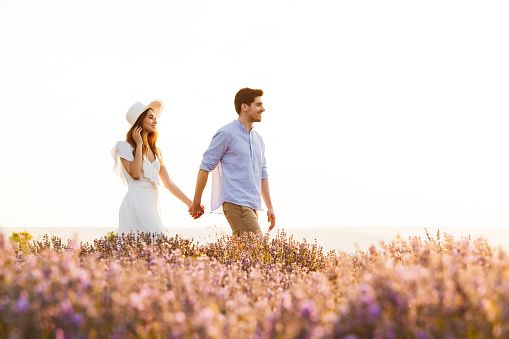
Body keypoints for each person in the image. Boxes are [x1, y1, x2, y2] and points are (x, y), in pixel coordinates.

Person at [189, 88, 276, 236]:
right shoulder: (226, 134)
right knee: (258, 250)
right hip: (236, 202)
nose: (263, 109)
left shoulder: (258, 139)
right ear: (245, 107)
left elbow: (263, 175)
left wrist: (270, 207)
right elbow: (205, 166)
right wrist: (196, 200)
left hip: (252, 205)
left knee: (245, 255)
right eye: (258, 104)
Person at [111, 100, 198, 236]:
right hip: (136, 202)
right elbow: (135, 174)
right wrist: (139, 145)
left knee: (150, 250)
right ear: (139, 122)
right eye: (150, 117)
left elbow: (168, 182)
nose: (155, 121)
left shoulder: (156, 151)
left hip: (150, 203)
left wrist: (190, 203)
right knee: (159, 242)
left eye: (155, 118)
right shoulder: (124, 147)